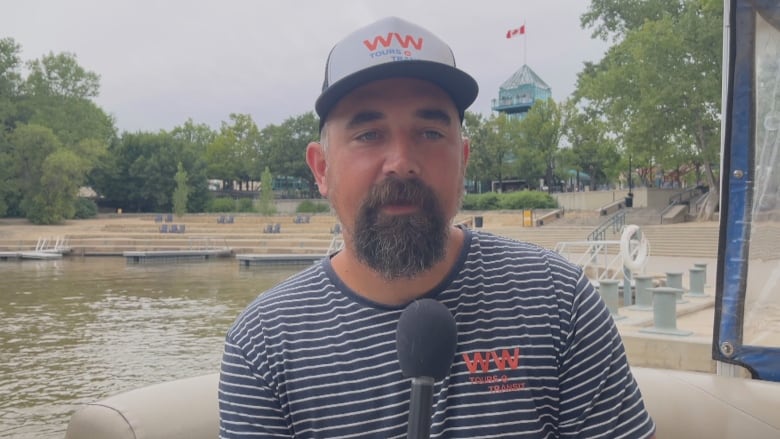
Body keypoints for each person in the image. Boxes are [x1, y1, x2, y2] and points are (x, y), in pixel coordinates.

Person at [219, 16, 656, 438]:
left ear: (463, 160)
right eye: (369, 134)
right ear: (321, 168)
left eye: (429, 133)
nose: (402, 163)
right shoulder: (263, 345)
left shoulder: (559, 302)